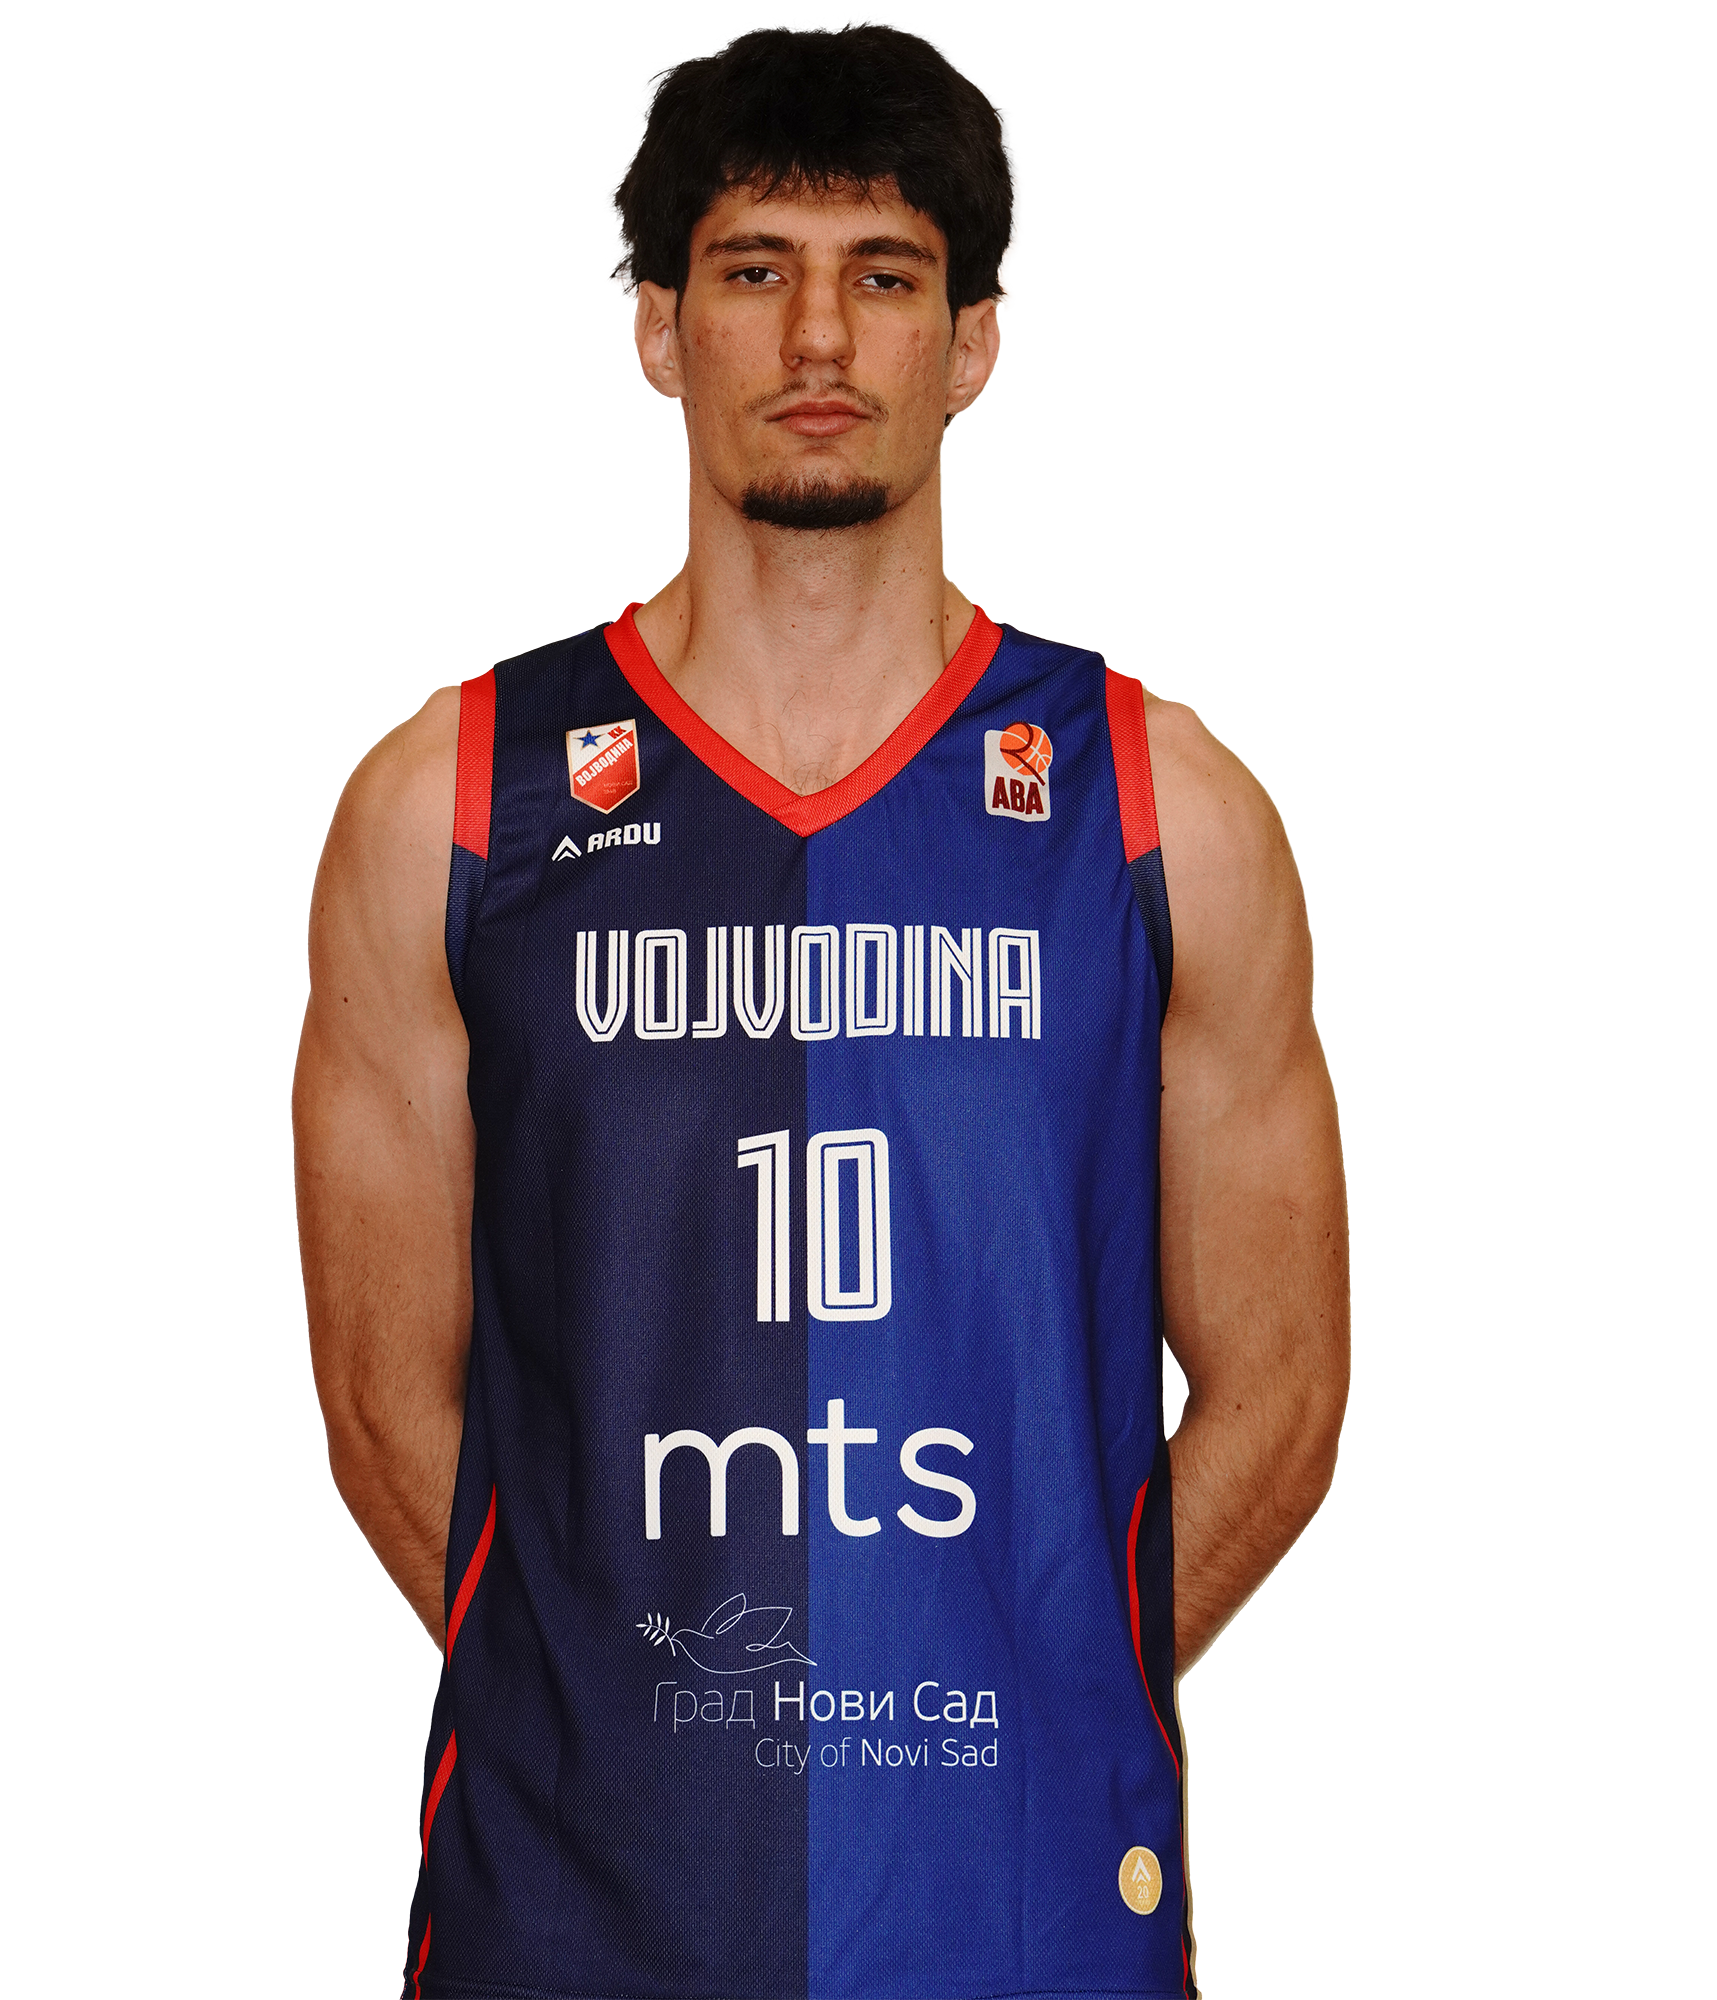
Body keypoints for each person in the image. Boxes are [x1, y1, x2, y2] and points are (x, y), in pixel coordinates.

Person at [294, 18, 1347, 2000]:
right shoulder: (456, 807)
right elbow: (378, 1394)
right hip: (579, 1907)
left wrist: (1030, 1678)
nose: (815, 340)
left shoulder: (1160, 810)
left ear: (972, 345)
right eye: (752, 268)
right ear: (654, 327)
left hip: (1019, 1905)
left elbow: (1280, 1392)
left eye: (884, 276)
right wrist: (627, 1722)